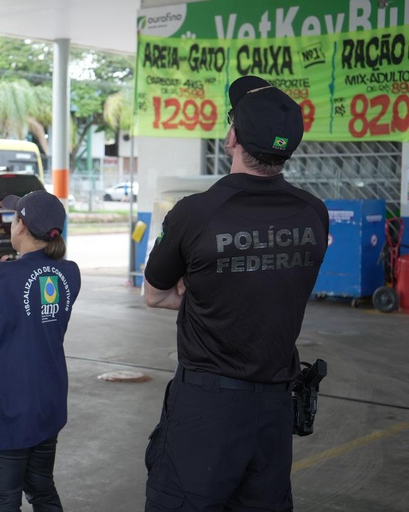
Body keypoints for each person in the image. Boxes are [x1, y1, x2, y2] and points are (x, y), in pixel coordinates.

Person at [142, 76, 329, 511]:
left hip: (206, 407)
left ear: (232, 138)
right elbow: (278, 285)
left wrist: (202, 290)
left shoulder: (196, 213)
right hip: (276, 408)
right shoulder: (314, 213)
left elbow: (155, 294)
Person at [0, 190, 81, 512]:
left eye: (13, 218)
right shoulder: (69, 273)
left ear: (21, 225)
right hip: (49, 401)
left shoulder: (2, 278)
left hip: (9, 407)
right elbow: (31, 310)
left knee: (5, 501)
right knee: (42, 490)